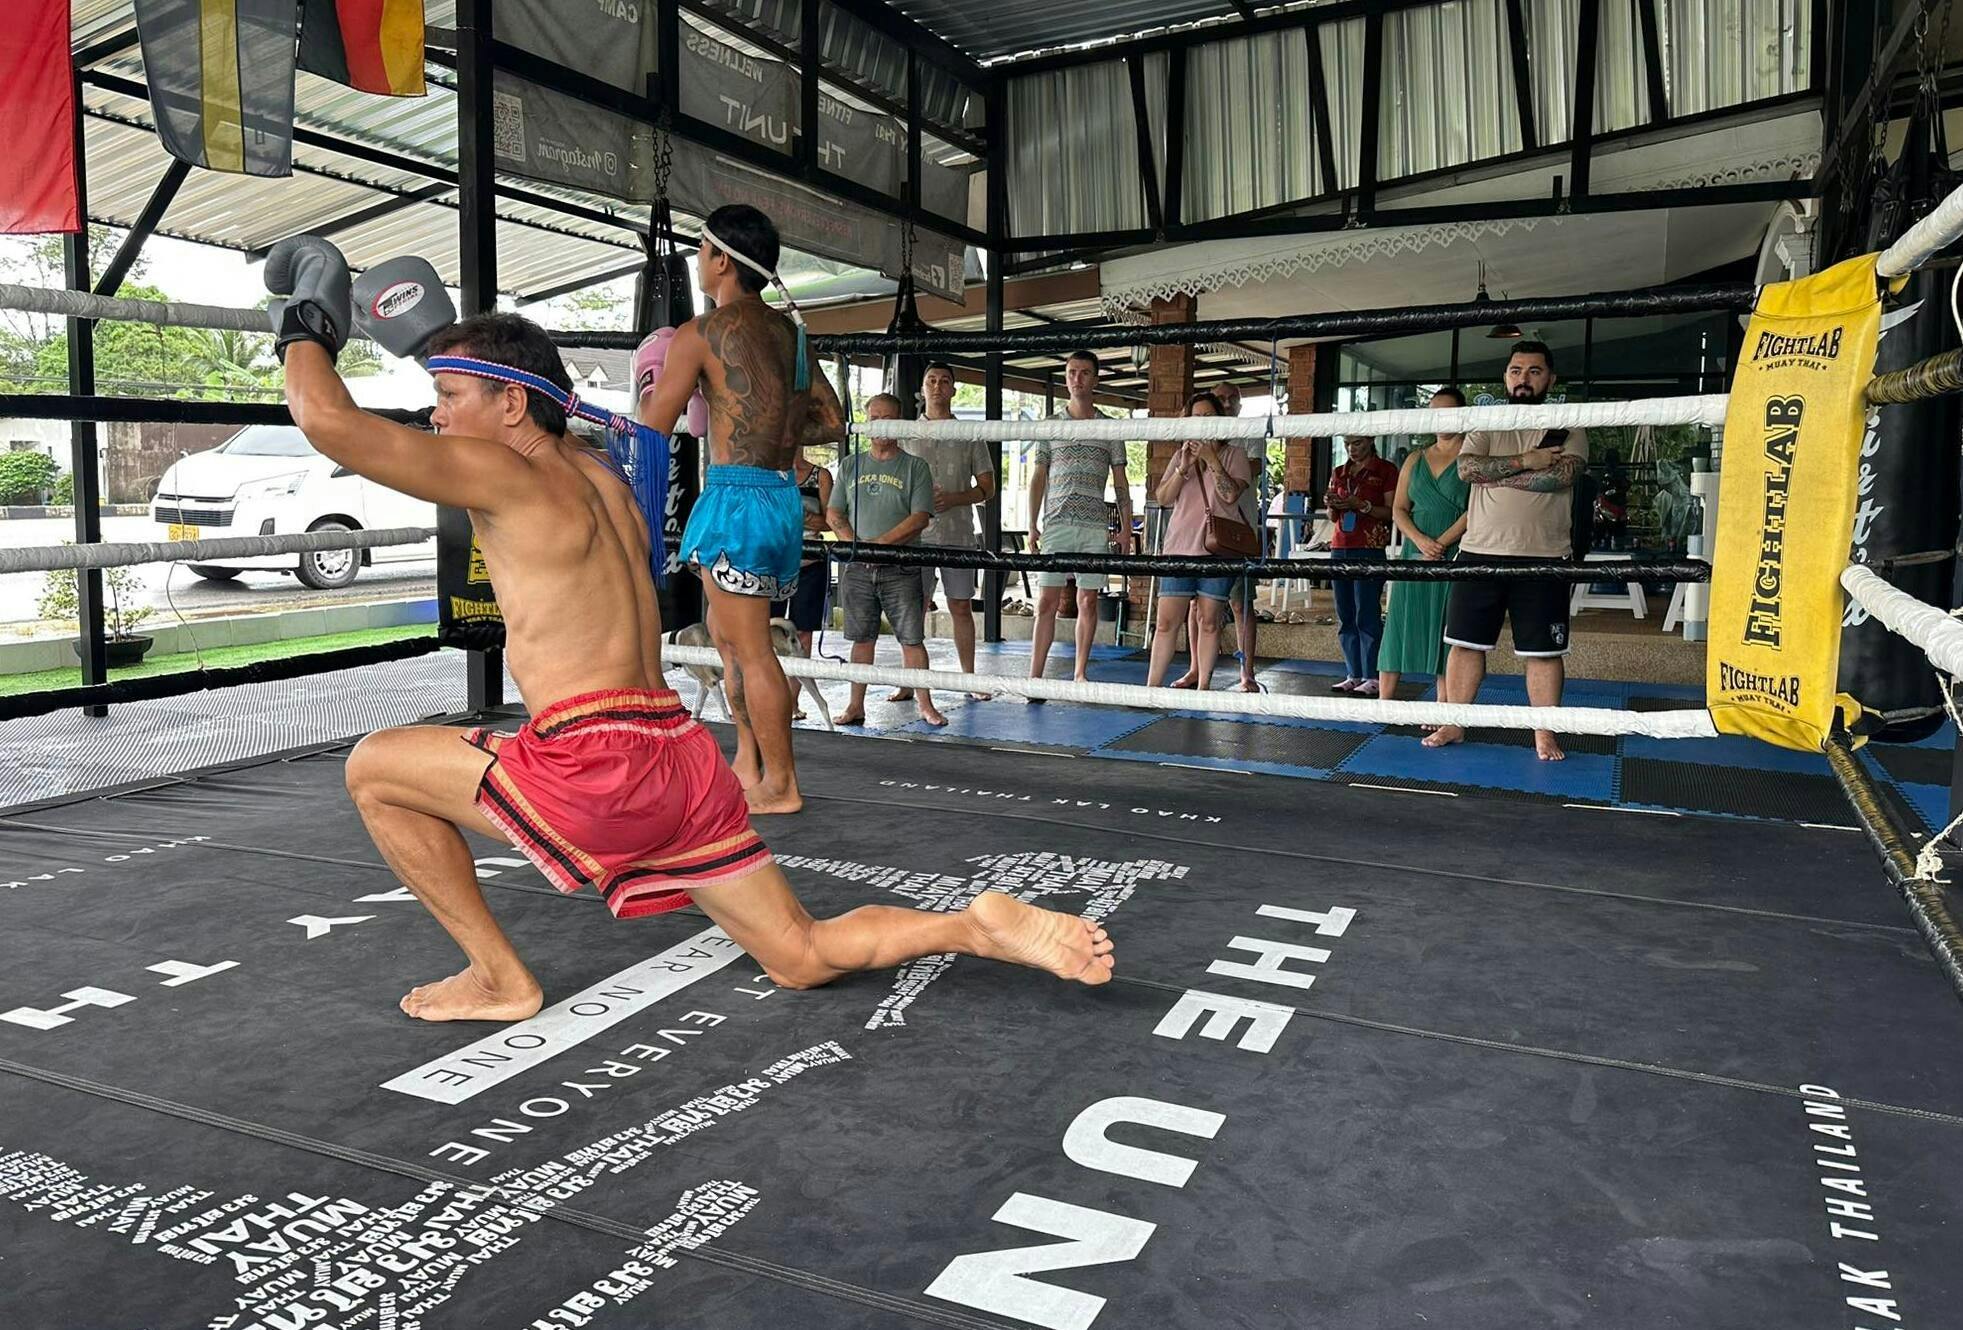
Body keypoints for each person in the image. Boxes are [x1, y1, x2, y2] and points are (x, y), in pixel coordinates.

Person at [265, 236, 1114, 1024]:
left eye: (448, 398)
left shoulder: (502, 472)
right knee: (801, 955)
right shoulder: (596, 474)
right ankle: (969, 928)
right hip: (680, 756)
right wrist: (444, 353)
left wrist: (305, 317)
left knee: (375, 768)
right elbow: (508, 407)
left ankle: (498, 978)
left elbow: (326, 419)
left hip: (597, 766)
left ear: (514, 407)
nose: (437, 417)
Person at [642, 204, 844, 816]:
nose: (697, 264)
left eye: (701, 252)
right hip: (782, 495)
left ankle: (781, 783)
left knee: (749, 648)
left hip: (735, 495)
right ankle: (750, 764)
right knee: (731, 642)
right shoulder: (792, 332)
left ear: (722, 259)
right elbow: (832, 423)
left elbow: (655, 426)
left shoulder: (699, 335)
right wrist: (774, 422)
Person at [1424, 340, 1589, 761]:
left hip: (1544, 555)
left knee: (1543, 651)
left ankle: (1544, 733)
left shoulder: (1568, 424)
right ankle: (1454, 722)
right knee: (1464, 644)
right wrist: (1527, 461)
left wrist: (1498, 474)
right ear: (1505, 376)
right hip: (1479, 552)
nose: (1523, 378)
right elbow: (1466, 469)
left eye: (1534, 371)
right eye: (1516, 370)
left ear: (1550, 378)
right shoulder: (1486, 422)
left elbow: (1560, 477)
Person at [828, 394, 945, 728]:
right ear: (865, 423)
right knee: (861, 639)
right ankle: (855, 706)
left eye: (887, 417)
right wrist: (857, 545)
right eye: (874, 417)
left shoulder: (914, 467)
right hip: (858, 566)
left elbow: (920, 517)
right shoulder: (850, 464)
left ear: (899, 421)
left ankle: (926, 703)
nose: (880, 424)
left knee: (911, 638)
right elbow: (835, 512)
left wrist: (879, 545)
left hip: (901, 565)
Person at [1028, 349, 1135, 689]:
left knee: (1087, 599)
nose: (1077, 378)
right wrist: (1032, 523)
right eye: (1072, 372)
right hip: (1056, 523)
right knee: (1046, 600)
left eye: (1084, 372)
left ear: (1095, 379)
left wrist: (1126, 528)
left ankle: (1079, 673)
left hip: (1093, 525)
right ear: (1066, 376)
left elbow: (1120, 482)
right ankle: (1034, 677)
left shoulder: (1109, 428)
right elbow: (1038, 476)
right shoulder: (1050, 425)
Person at [895, 361, 997, 704]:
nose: (938, 386)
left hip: (959, 533)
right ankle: (910, 681)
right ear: (922, 389)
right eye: (931, 380)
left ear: (954, 389)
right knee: (914, 608)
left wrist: (954, 498)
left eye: (944, 381)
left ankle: (968, 677)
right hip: (915, 535)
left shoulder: (970, 433)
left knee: (961, 606)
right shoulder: (906, 432)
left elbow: (988, 487)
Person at [1146, 391, 1251, 689]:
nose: (1201, 422)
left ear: (1219, 419)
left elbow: (1230, 494)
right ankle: (1151, 688)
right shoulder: (1181, 456)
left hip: (1217, 550)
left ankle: (1203, 686)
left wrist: (1211, 458)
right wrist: (1184, 466)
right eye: (1196, 417)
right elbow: (1163, 497)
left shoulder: (1235, 455)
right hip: (1179, 546)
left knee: (1209, 620)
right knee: (1166, 623)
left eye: (1207, 416)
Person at [1377, 388, 1471, 701]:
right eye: (1434, 412)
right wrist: (1420, 540)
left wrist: (1441, 543)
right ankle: (1384, 702)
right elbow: (1399, 509)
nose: (1440, 418)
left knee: (1448, 625)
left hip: (1453, 551)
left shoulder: (1473, 457)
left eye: (1447, 411)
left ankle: (1441, 709)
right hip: (1413, 550)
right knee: (1399, 623)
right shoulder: (1415, 459)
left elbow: (1477, 510)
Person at [1169, 378, 1263, 692]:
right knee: (1197, 607)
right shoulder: (1191, 444)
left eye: (1230, 398)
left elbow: (1248, 473)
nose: (1224, 402)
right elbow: (1167, 490)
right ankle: (1196, 669)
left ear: (1238, 404)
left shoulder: (1246, 437)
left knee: (1240, 603)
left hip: (1236, 531)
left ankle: (1246, 672)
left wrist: (1212, 455)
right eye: (1219, 397)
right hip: (1198, 535)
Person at [1323, 435, 1399, 694]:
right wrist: (1332, 504)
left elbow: (1392, 512)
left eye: (1357, 443)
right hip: (1340, 545)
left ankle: (1373, 675)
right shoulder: (1339, 471)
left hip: (1370, 546)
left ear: (1370, 440)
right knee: (1345, 612)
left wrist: (1362, 505)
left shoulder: (1386, 470)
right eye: (1347, 444)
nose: (1352, 449)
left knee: (1367, 611)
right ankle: (1353, 673)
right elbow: (1332, 516)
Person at [772, 443, 834, 660]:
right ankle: (772, 689)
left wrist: (802, 516)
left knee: (803, 631)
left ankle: (792, 694)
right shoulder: (768, 474)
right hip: (773, 564)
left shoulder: (821, 476)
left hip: (809, 563)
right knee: (765, 629)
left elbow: (832, 522)